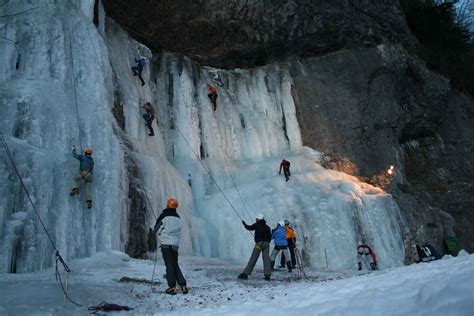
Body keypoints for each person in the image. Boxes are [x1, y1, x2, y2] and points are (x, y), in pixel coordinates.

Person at [153, 198, 188, 295]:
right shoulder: (178, 217)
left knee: (169, 265)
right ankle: (183, 285)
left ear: (168, 205)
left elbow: (156, 229)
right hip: (175, 245)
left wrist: (158, 233)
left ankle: (172, 287)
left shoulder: (164, 216)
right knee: (175, 264)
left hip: (165, 244)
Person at [238, 214, 272, 281]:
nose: (256, 219)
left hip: (259, 244)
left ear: (258, 219)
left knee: (253, 258)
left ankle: (245, 274)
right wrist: (267, 242)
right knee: (266, 259)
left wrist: (244, 224)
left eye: (256, 218)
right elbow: (270, 236)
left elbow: (249, 228)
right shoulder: (267, 227)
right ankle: (267, 275)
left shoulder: (257, 225)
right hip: (266, 244)